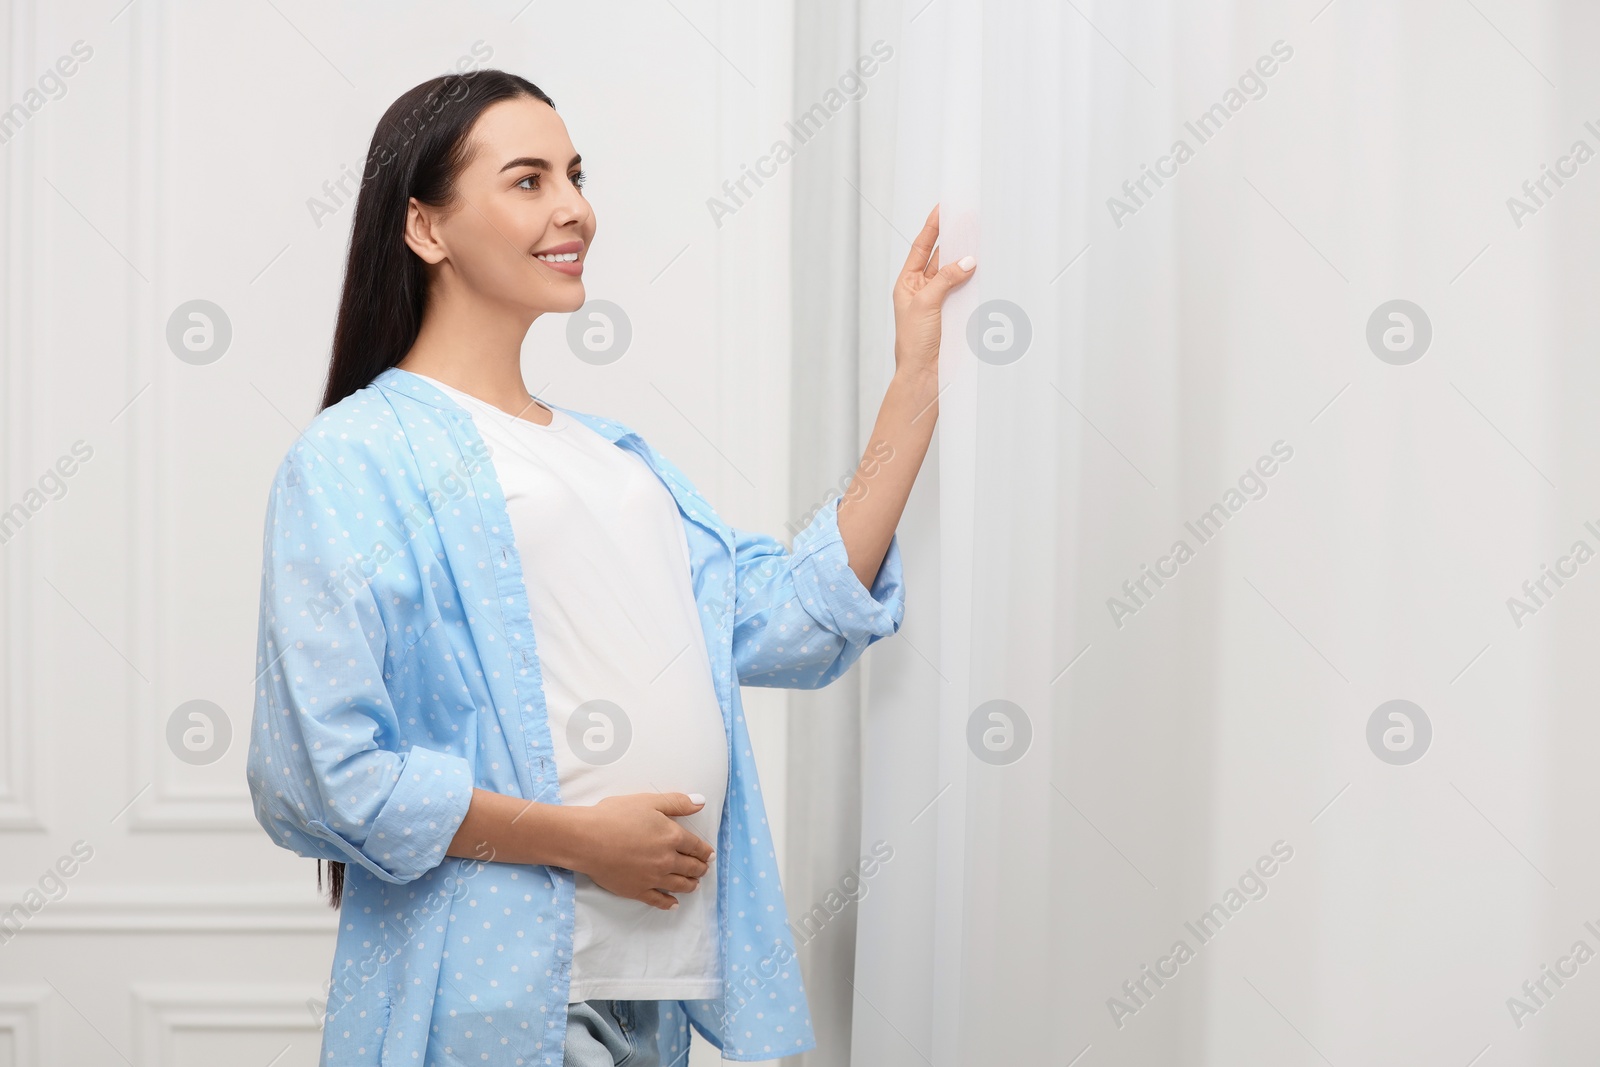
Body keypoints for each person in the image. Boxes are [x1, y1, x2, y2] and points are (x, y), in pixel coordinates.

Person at [244, 68, 973, 1066]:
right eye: (529, 180)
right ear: (426, 226)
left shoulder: (617, 459)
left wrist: (915, 374)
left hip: (656, 990)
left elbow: (793, 617)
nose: (575, 208)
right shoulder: (355, 456)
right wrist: (580, 840)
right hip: (495, 995)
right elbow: (323, 775)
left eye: (575, 175)